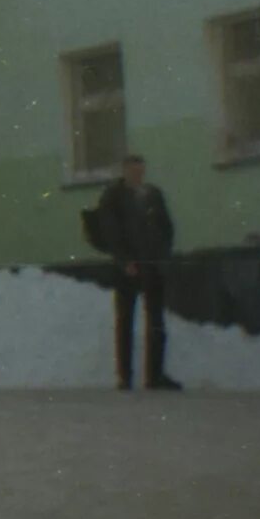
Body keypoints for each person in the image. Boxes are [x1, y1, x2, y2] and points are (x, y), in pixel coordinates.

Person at [81, 154, 181, 391]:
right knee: (126, 320)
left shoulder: (153, 194)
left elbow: (166, 227)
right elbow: (111, 232)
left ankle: (155, 375)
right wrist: (124, 260)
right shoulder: (113, 197)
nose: (138, 176)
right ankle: (125, 376)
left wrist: (163, 255)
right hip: (128, 268)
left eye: (141, 171)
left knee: (156, 321)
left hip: (153, 265)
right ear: (125, 171)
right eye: (133, 171)